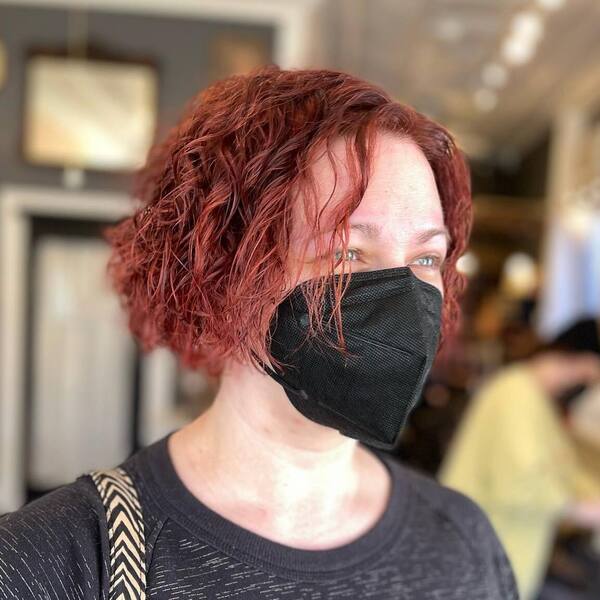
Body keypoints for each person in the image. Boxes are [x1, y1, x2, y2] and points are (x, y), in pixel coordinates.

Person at [0, 66, 519, 599]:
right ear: (224, 272)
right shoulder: (52, 562)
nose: (404, 293)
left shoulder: (463, 547)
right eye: (345, 251)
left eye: (426, 256)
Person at [439, 347, 600, 600]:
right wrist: (577, 508)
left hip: (495, 545)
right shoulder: (517, 394)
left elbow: (556, 466)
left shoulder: (531, 396)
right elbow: (518, 484)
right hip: (485, 545)